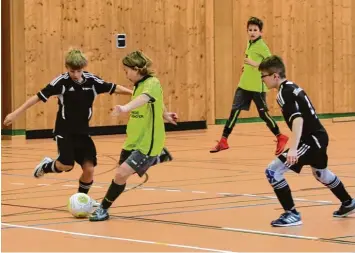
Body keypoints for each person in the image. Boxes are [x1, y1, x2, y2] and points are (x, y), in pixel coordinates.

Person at [3, 48, 133, 197]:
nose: (76, 75)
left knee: (89, 169)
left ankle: (81, 199)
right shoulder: (61, 82)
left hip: (83, 133)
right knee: (66, 165)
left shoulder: (92, 81)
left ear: (83, 68)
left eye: (79, 71)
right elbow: (38, 97)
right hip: (64, 131)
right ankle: (46, 166)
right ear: (67, 68)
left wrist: (133, 93)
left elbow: (113, 87)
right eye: (72, 71)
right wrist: (15, 113)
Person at [258, 55, 355, 227]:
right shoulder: (292, 87)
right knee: (321, 174)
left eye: (263, 76)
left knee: (272, 171)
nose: (262, 80)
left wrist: (294, 149)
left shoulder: (283, 93)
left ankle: (292, 213)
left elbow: (298, 120)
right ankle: (348, 203)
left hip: (310, 140)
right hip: (318, 137)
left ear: (275, 76)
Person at [89, 51, 177, 221]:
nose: (125, 74)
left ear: (137, 69)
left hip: (148, 142)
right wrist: (165, 114)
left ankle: (103, 209)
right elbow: (158, 101)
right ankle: (158, 157)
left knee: (121, 174)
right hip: (133, 140)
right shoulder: (139, 84)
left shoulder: (152, 83)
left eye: (126, 70)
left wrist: (125, 108)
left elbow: (145, 98)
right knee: (121, 174)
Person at [211, 17, 288, 154]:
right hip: (244, 84)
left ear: (261, 32)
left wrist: (253, 64)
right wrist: (245, 67)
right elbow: (249, 59)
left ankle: (280, 136)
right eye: (250, 30)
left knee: (263, 115)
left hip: (257, 87)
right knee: (234, 112)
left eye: (255, 30)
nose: (252, 32)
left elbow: (271, 65)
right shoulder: (249, 43)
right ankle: (223, 140)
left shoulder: (262, 46)